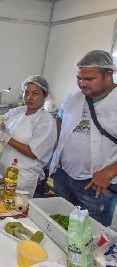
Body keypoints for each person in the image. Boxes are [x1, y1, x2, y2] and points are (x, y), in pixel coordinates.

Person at [49, 50, 117, 226]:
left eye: (89, 79)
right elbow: (60, 119)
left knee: (89, 233)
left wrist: (110, 172)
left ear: (109, 74)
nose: (82, 83)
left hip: (96, 184)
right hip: (64, 175)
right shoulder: (73, 98)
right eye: (79, 78)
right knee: (61, 223)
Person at [0, 75, 57, 198]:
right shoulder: (18, 111)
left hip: (22, 176)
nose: (29, 97)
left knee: (16, 209)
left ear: (45, 95)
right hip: (2, 168)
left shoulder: (45, 121)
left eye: (35, 93)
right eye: (26, 92)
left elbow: (33, 152)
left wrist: (7, 138)